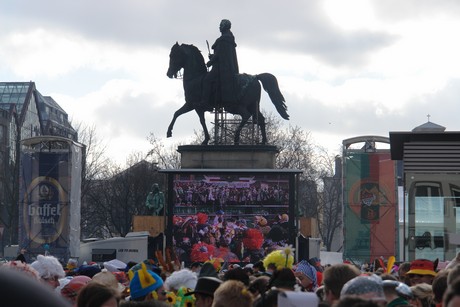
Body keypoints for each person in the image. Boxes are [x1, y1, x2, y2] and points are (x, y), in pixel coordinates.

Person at [201, 19, 239, 108]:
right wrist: (213, 57)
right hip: (227, 67)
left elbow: (218, 54)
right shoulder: (229, 38)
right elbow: (222, 54)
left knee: (206, 80)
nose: (219, 27)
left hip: (221, 68)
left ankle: (205, 102)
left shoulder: (223, 39)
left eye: (221, 25)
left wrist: (210, 61)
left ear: (225, 27)